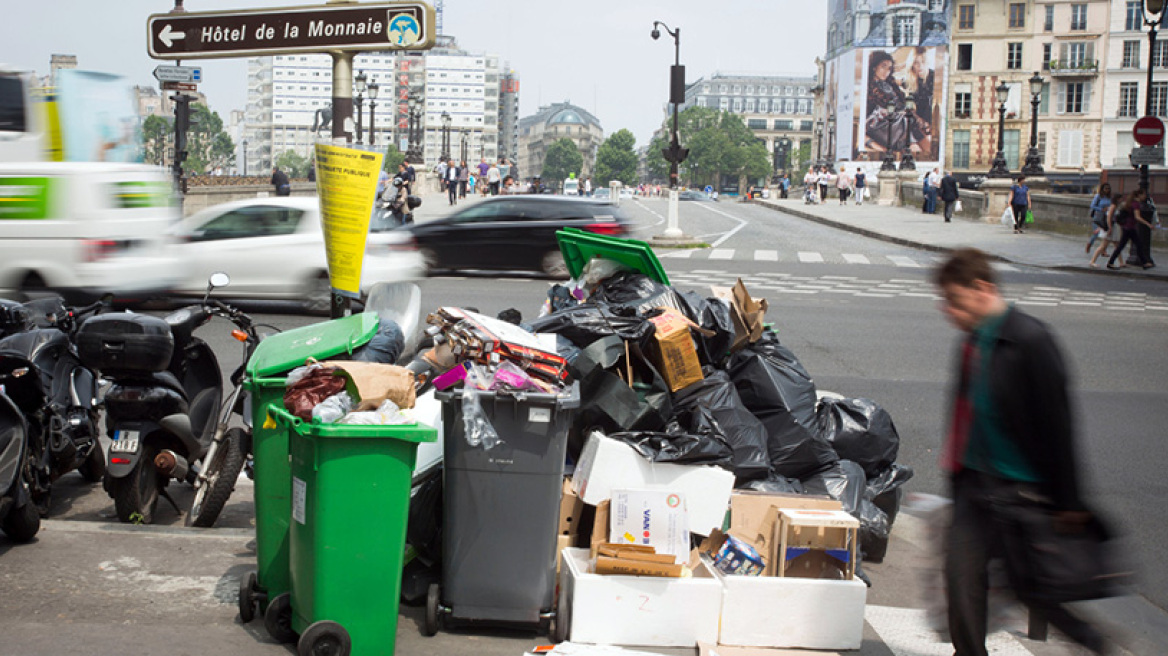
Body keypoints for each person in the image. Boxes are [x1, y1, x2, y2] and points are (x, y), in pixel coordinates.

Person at [935, 248, 1109, 656]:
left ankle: (1093, 643)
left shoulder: (1032, 339)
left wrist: (1069, 500)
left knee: (1033, 588)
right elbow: (965, 413)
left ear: (982, 289)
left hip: (1021, 490)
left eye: (954, 301)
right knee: (961, 578)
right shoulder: (972, 342)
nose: (948, 312)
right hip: (975, 485)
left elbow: (1058, 424)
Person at [1107, 189, 1154, 270]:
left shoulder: (1130, 202)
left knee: (1127, 245)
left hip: (1126, 227)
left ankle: (1144, 263)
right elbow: (1137, 217)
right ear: (1139, 195)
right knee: (1135, 245)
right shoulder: (1136, 204)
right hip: (1130, 228)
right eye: (1144, 195)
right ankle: (1144, 263)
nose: (1145, 197)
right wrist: (1148, 224)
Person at [1088, 192, 1122, 268]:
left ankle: (1121, 262)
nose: (1121, 201)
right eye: (1120, 199)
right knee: (1103, 246)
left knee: (1116, 246)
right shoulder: (1113, 206)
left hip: (1113, 227)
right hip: (1111, 227)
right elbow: (1108, 217)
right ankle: (1092, 261)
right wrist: (1109, 228)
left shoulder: (1113, 206)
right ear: (1117, 199)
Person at [1085, 183, 1113, 255]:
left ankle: (1103, 250)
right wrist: (1101, 209)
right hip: (1098, 217)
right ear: (1102, 189)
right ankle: (1089, 243)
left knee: (1106, 234)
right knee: (1096, 233)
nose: (1107, 190)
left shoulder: (1110, 197)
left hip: (1106, 217)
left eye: (1108, 189)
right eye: (1106, 189)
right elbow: (1093, 205)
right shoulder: (1098, 196)